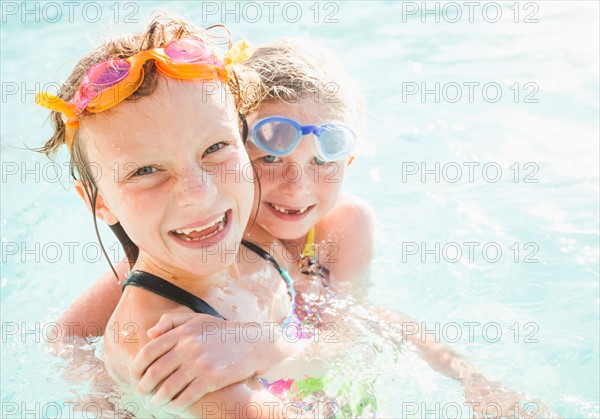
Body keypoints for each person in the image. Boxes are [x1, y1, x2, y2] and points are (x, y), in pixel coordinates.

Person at [36, 16, 318, 418]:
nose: (198, 193)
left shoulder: (250, 230)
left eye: (216, 147)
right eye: (145, 171)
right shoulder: (160, 347)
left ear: (244, 143)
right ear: (99, 203)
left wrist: (263, 346)